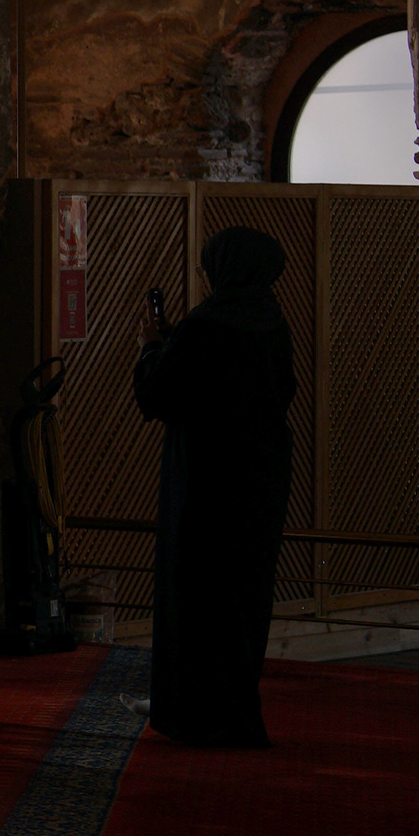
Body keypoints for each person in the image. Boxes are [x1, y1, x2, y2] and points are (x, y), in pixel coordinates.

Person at [132, 225, 297, 749]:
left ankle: (193, 713)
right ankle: (235, 710)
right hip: (260, 483)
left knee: (196, 595)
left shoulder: (206, 325)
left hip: (203, 484)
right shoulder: (271, 321)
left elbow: (158, 395)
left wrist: (152, 348)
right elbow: (281, 391)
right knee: (242, 598)